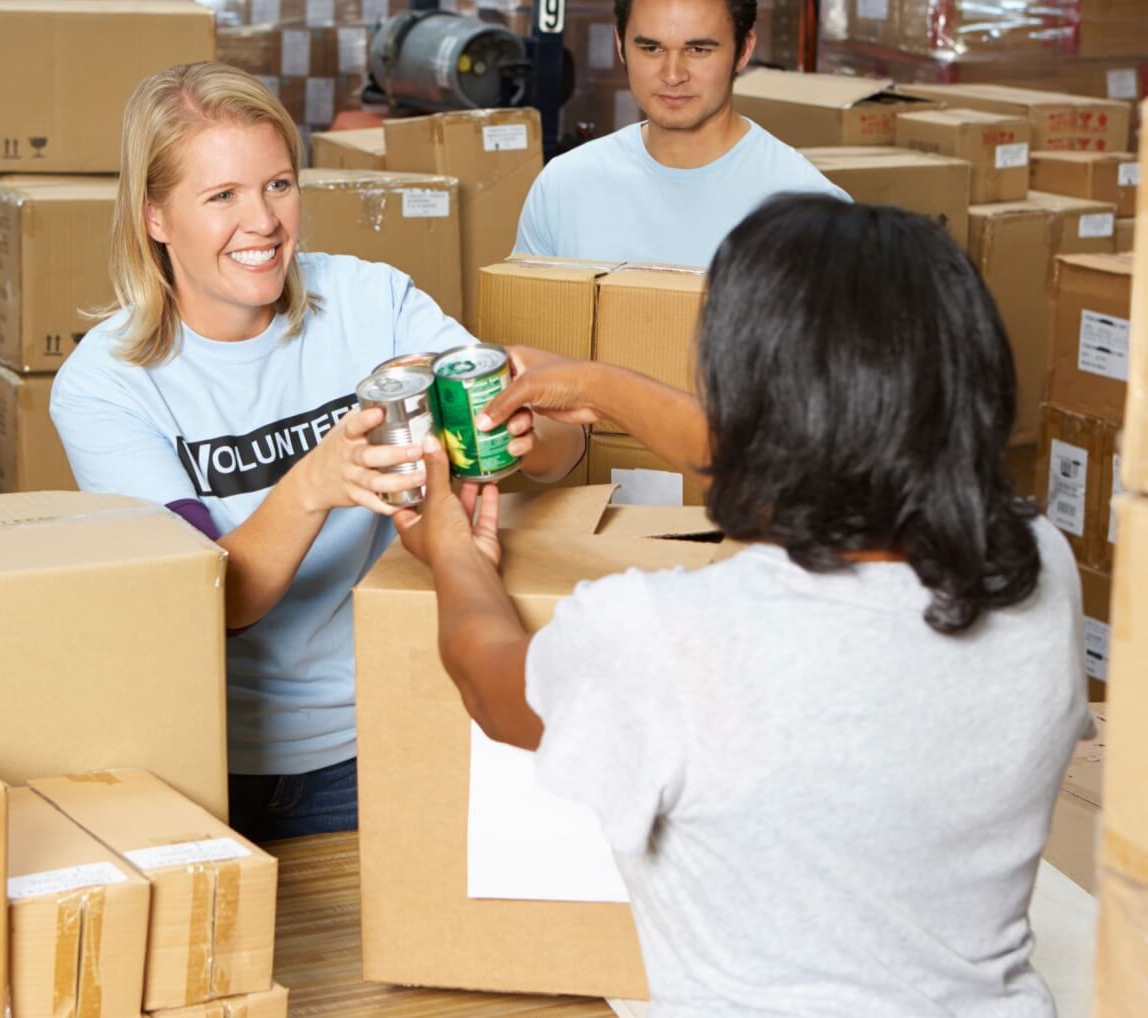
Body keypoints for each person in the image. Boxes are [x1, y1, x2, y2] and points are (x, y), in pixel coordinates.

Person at [397, 195, 1090, 1015]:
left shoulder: (676, 637)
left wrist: (450, 550)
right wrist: (600, 387)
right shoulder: (1038, 561)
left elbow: (491, 683)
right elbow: (836, 456)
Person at [49, 62, 584, 841]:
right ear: (156, 217)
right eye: (222, 196)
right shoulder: (106, 387)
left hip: (395, 729)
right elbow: (211, 603)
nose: (263, 222)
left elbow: (564, 449)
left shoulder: (371, 302)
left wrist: (526, 434)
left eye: (278, 184)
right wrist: (312, 485)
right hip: (215, 769)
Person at [513, 0, 849, 267]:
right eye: (651, 48)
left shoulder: (812, 211)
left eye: (698, 50)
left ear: (744, 50)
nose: (673, 75)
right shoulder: (563, 187)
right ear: (620, 45)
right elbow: (528, 324)